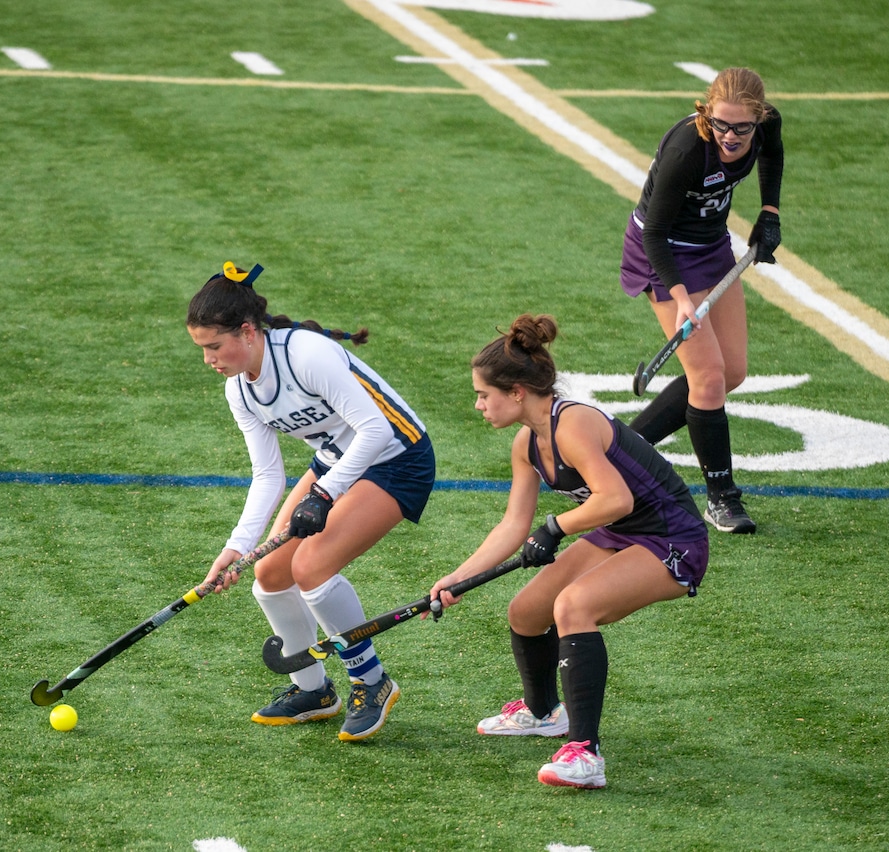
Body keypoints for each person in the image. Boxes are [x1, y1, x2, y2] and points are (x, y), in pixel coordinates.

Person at [429, 314, 709, 789]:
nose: (478, 405)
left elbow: (615, 498)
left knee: (573, 606)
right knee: (526, 611)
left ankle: (586, 754)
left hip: (672, 539)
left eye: (483, 394)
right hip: (619, 532)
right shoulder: (527, 443)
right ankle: (542, 713)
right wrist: (458, 578)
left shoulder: (573, 424)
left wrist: (555, 527)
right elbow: (513, 525)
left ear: (517, 392)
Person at [188, 261, 435, 742]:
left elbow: (375, 429)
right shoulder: (239, 390)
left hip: (397, 456)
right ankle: (314, 690)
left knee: (312, 567)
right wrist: (237, 546)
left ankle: (372, 681)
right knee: (269, 574)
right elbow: (268, 474)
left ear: (247, 331)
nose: (208, 359)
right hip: (338, 459)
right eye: (202, 349)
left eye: (214, 346)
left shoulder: (306, 355)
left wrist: (324, 494)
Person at [619, 66, 784, 534]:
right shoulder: (687, 150)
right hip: (664, 254)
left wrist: (769, 211)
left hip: (711, 247)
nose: (730, 136)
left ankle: (619, 449)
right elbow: (654, 233)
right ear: (707, 112)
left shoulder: (766, 126)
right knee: (708, 378)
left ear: (759, 117)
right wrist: (680, 299)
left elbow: (773, 153)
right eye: (721, 124)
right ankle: (721, 498)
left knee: (731, 372)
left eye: (742, 128)